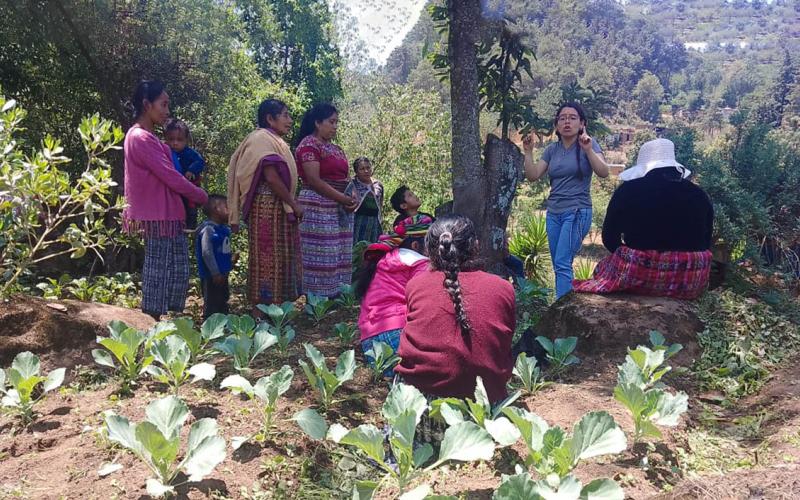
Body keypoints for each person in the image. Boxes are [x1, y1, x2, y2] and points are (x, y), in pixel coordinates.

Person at [395, 214, 516, 404]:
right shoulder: (503, 288)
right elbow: (503, 346)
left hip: (419, 408)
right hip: (483, 407)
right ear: (475, 245)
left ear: (428, 250)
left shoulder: (416, 285)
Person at [573, 138, 714, 299]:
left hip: (639, 274)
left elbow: (609, 239)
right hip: (690, 278)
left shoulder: (627, 191)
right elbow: (705, 243)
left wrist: (641, 257)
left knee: (602, 268)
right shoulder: (700, 195)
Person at [122, 80, 208, 320]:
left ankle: (167, 321)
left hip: (169, 214)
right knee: (158, 269)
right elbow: (170, 176)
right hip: (158, 214)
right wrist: (202, 197)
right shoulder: (140, 138)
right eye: (163, 104)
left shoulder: (150, 138)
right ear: (147, 104)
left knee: (177, 269)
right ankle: (151, 322)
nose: (167, 110)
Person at [522, 102, 610, 299]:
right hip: (553, 213)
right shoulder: (552, 150)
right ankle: (565, 305)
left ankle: (562, 309)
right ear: (557, 125)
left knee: (562, 261)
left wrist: (588, 149)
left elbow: (604, 172)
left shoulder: (590, 144)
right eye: (562, 118)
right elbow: (533, 175)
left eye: (572, 117)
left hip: (577, 211)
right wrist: (528, 152)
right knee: (558, 264)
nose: (567, 122)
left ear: (582, 124)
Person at [228, 99, 302, 307]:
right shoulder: (261, 139)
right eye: (285, 115)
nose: (290, 120)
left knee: (277, 258)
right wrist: (293, 203)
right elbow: (271, 177)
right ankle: (261, 313)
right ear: (270, 118)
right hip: (266, 207)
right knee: (266, 258)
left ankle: (275, 309)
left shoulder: (273, 139)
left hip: (275, 207)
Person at [354, 215, 433, 376]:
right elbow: (425, 303)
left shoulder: (386, 259)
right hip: (397, 333)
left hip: (369, 339)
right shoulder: (419, 263)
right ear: (416, 245)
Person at [295, 103, 357, 298]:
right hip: (317, 206)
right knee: (321, 252)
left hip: (340, 208)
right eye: (331, 122)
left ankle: (337, 296)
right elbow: (314, 180)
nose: (335, 126)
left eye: (337, 122)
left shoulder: (336, 149)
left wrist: (352, 196)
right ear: (317, 122)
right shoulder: (308, 145)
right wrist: (343, 198)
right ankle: (316, 300)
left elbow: (345, 177)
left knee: (339, 251)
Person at [165, 119, 205, 230]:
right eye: (171, 139)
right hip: (175, 187)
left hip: (190, 184)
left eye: (179, 140)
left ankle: (191, 224)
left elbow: (200, 161)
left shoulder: (189, 153)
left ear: (186, 140)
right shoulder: (166, 151)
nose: (175, 143)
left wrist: (191, 170)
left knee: (190, 205)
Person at [196, 195, 233, 318]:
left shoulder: (223, 229)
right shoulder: (208, 229)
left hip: (223, 275)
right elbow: (207, 252)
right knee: (212, 302)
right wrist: (215, 272)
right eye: (227, 207)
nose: (230, 210)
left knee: (223, 300)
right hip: (211, 277)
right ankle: (210, 329)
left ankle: (223, 326)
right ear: (216, 209)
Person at [345, 157, 384, 244]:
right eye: (362, 169)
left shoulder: (378, 185)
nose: (366, 171)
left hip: (374, 223)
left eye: (368, 167)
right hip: (357, 222)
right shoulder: (352, 184)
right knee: (357, 248)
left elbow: (380, 204)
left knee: (373, 249)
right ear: (356, 172)